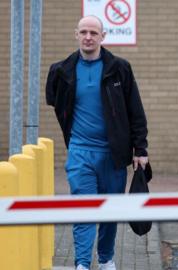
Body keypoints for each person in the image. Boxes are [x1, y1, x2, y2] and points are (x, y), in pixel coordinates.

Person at [45, 15, 148, 270]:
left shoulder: (119, 68)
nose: (88, 37)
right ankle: (81, 263)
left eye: (93, 32)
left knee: (109, 212)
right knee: (84, 208)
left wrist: (140, 149)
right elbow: (54, 101)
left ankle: (105, 259)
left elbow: (135, 110)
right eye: (83, 32)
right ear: (76, 34)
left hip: (113, 155)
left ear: (103, 37)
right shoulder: (61, 70)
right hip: (80, 152)